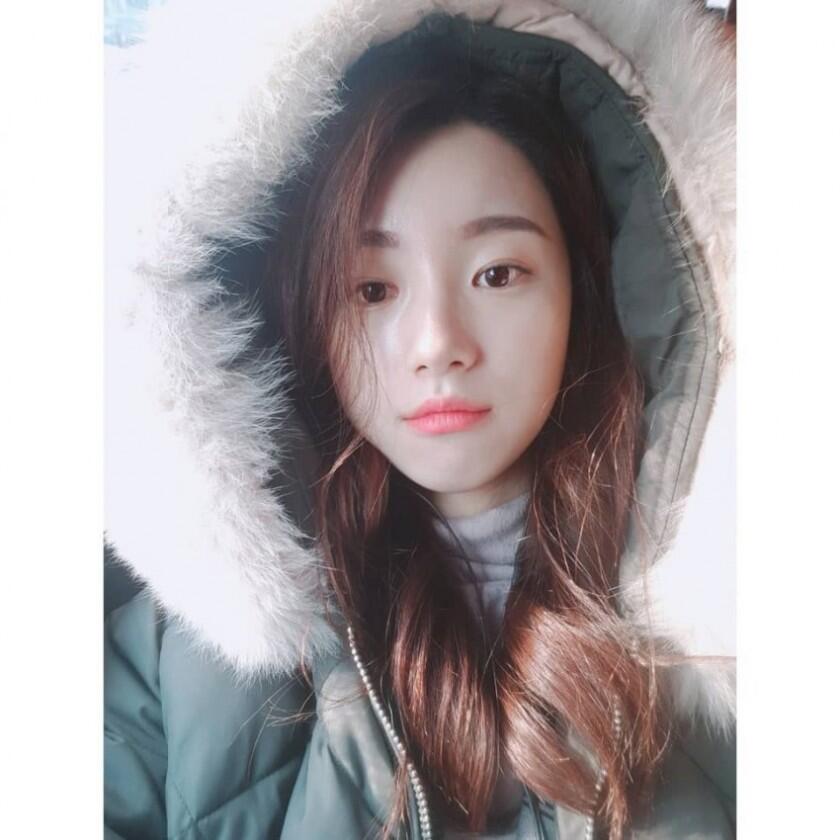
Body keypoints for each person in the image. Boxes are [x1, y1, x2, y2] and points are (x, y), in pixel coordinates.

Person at [104, 2, 736, 839]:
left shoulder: (735, 624)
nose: (438, 344)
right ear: (306, 317)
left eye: (498, 273)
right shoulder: (179, 657)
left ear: (586, 290)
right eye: (372, 288)